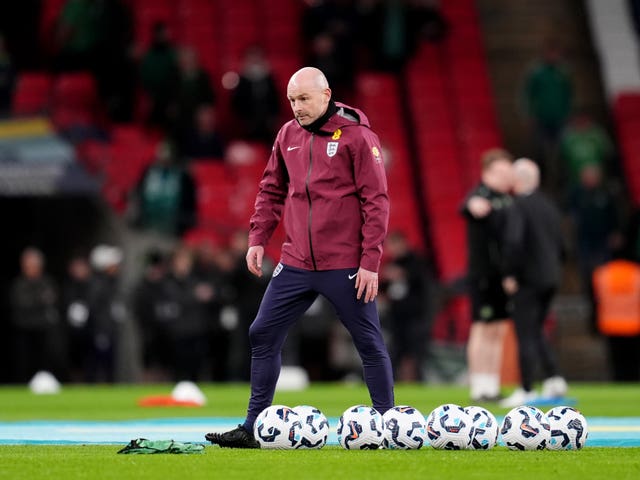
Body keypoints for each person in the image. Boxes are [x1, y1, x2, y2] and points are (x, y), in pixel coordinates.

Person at [206, 66, 394, 448]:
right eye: (292, 100)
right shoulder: (287, 134)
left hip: (344, 263)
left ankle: (388, 426)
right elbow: (271, 189)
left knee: (368, 342)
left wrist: (370, 262)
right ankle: (253, 427)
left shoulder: (357, 137)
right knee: (262, 333)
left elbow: (376, 202)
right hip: (295, 262)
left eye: (304, 99)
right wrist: (258, 237)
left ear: (326, 95)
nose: (297, 107)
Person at [500, 158, 568, 407]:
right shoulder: (550, 205)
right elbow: (562, 245)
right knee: (537, 329)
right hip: (550, 277)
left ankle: (526, 389)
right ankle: (554, 378)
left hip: (527, 279)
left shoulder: (517, 205)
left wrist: (510, 274)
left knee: (525, 332)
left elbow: (514, 242)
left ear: (518, 179)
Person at [461, 148, 514, 402]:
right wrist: (472, 205)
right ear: (487, 173)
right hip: (484, 275)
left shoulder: (507, 200)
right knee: (482, 328)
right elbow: (468, 205)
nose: (505, 177)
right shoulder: (480, 195)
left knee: (498, 330)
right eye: (501, 172)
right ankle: (478, 385)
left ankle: (491, 385)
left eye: (508, 172)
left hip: (502, 276)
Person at [381, 230, 430, 382]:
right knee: (396, 351)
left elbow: (421, 282)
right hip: (396, 316)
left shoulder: (416, 261)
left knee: (415, 352)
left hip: (415, 316)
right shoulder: (390, 264)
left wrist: (402, 274)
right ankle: (395, 381)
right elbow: (383, 288)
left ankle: (417, 380)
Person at [9, 248, 63, 382]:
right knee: (24, 363)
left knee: (46, 360)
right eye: (27, 264)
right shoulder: (18, 284)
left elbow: (53, 300)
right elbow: (21, 304)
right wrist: (39, 300)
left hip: (44, 330)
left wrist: (38, 302)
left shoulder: (47, 282)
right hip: (24, 330)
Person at [231, 46, 280, 143]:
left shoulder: (269, 78)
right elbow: (236, 104)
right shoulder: (242, 80)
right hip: (247, 125)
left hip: (267, 124)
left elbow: (275, 101)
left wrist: (271, 118)